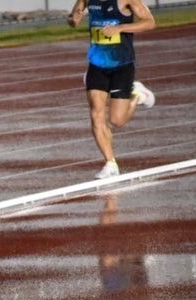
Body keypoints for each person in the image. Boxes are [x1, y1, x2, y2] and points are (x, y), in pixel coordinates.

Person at [68, 0, 156, 179]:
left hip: (121, 65)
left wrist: (120, 28)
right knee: (96, 114)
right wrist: (73, 19)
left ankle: (137, 95)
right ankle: (110, 163)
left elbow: (150, 22)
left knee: (116, 121)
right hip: (96, 65)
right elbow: (73, 19)